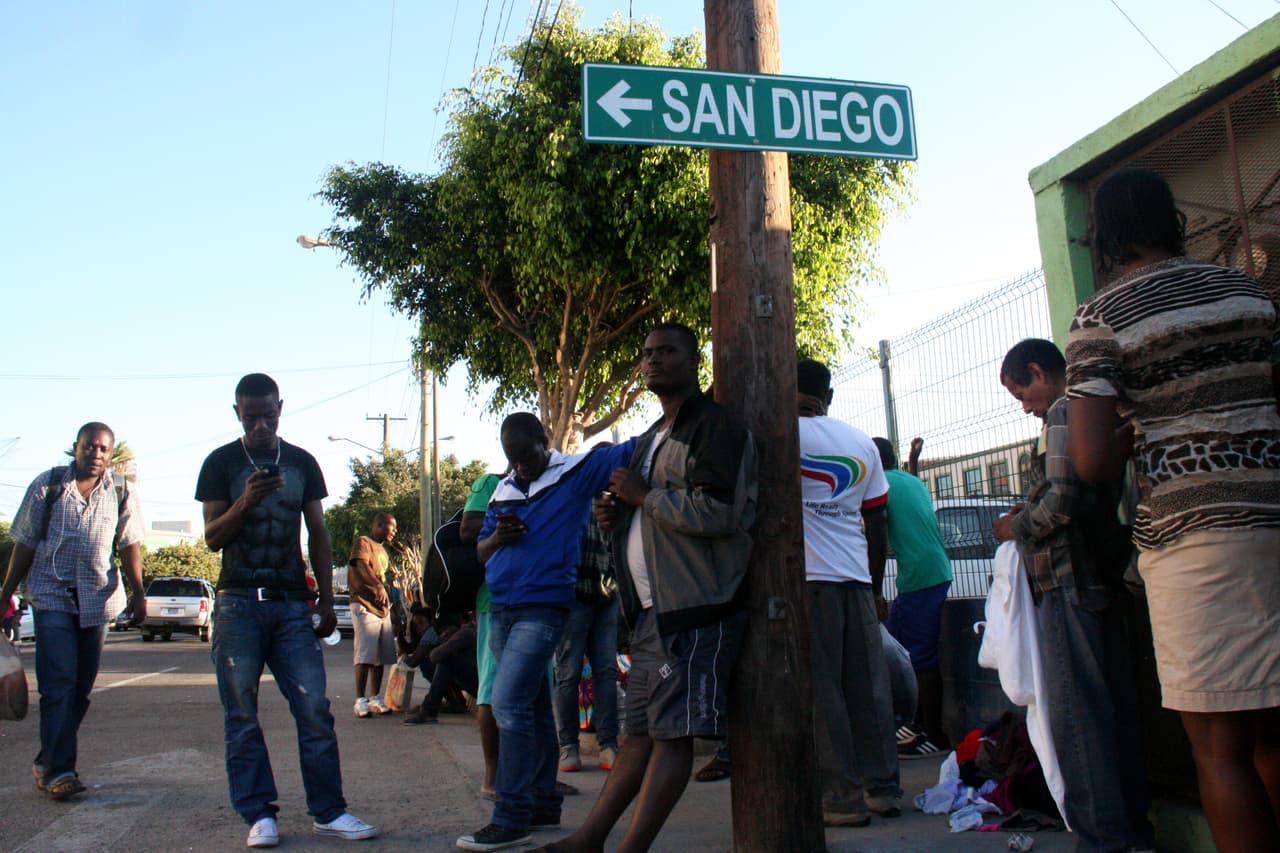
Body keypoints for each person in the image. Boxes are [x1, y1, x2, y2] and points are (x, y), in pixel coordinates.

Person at [1065, 168, 1280, 853]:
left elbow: (1092, 463)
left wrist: (1141, 428)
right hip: (1274, 515)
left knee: (1220, 746)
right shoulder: (1246, 291)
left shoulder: (1102, 316)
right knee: (1276, 731)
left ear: (1103, 235)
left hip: (1196, 539)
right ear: (1173, 218)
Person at [534, 321, 756, 853]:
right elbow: (646, 503)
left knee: (673, 735)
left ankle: (630, 849)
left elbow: (723, 512)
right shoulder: (653, 436)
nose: (653, 361)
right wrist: (618, 514)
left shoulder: (715, 427)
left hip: (695, 607)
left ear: (692, 359)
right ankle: (590, 839)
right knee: (637, 733)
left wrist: (643, 497)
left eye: (667, 352)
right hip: (653, 611)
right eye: (647, 353)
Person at [196, 373, 376, 847]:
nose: (260, 424)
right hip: (238, 603)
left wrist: (321, 600)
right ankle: (259, 815)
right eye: (250, 416)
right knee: (241, 714)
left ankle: (329, 811)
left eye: (268, 415)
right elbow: (213, 537)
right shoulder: (220, 462)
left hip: (291, 604)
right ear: (236, 412)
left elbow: (318, 531)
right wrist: (246, 501)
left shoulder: (301, 462)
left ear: (281, 408)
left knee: (314, 707)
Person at [993, 338, 1153, 852]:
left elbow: (1062, 498)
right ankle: (1131, 830)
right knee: (1112, 711)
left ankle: (1102, 840)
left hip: (1069, 579)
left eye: (1023, 392)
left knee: (1078, 720)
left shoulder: (1063, 413)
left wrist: (1017, 527)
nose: (1025, 406)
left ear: (1040, 372)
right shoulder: (1088, 415)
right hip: (1097, 575)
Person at [456, 414, 636, 852]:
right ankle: (541, 802)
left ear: (545, 441)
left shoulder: (572, 472)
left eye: (527, 456)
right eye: (513, 460)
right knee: (533, 707)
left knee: (508, 704)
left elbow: (634, 447)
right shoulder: (503, 488)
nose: (521, 467)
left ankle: (511, 815)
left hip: (546, 606)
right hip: (501, 609)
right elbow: (479, 551)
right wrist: (498, 537)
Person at [1, 422, 145, 800]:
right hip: (51, 596)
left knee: (80, 689)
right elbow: (25, 543)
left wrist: (140, 593)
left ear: (111, 454)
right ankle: (60, 771)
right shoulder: (47, 486)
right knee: (58, 683)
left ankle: (47, 758)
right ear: (75, 448)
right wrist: (5, 593)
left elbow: (130, 545)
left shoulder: (121, 490)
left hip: (97, 599)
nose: (95, 454)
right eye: (89, 447)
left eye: (103, 449)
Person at [796, 359, 901, 827]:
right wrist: (875, 589)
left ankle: (842, 799)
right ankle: (884, 789)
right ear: (829, 395)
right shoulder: (861, 442)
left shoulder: (778, 435)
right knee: (869, 689)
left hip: (808, 580)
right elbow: (876, 521)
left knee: (824, 693)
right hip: (857, 580)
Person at [872, 436, 953, 759]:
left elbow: (873, 527)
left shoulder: (881, 485)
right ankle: (911, 724)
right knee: (895, 650)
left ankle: (934, 733)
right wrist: (914, 459)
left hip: (920, 577)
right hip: (928, 572)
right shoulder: (907, 480)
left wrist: (873, 588)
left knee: (918, 658)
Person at [554, 511, 620, 774]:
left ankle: (608, 745)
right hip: (572, 594)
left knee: (606, 671)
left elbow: (617, 536)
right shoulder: (566, 483)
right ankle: (569, 746)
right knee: (568, 674)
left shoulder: (606, 483)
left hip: (606, 591)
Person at [347, 511, 398, 718]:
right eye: (391, 526)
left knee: (381, 656)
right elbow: (360, 565)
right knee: (365, 654)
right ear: (378, 524)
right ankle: (360, 699)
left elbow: (383, 576)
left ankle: (375, 697)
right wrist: (377, 586)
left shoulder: (383, 550)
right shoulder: (363, 542)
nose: (394, 531)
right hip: (364, 603)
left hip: (382, 609)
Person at [405, 611, 478, 725]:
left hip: (482, 686)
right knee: (448, 660)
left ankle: (429, 710)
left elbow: (434, 656)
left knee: (444, 661)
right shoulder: (471, 630)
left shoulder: (466, 633)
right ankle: (439, 706)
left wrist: (444, 643)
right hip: (481, 683)